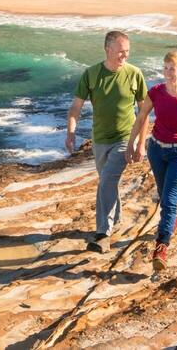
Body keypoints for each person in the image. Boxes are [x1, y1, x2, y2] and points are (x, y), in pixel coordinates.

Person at [67, 30, 148, 253]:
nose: (125, 55)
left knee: (107, 181)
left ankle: (103, 234)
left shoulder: (135, 74)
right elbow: (76, 107)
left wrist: (140, 144)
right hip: (99, 140)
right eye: (120, 51)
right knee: (108, 182)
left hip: (125, 139)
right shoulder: (91, 74)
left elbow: (144, 113)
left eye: (127, 51)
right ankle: (116, 218)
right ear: (107, 50)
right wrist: (71, 132)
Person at [126, 50, 177, 271]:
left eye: (173, 68)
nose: (168, 72)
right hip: (156, 151)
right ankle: (170, 221)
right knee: (165, 196)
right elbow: (141, 117)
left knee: (169, 201)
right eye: (166, 68)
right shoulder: (156, 92)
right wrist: (133, 143)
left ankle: (161, 246)